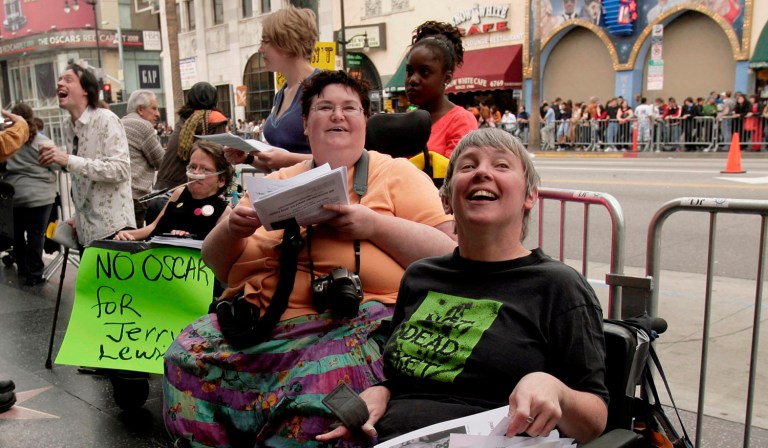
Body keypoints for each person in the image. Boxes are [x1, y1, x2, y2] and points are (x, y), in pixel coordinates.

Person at [162, 70, 457, 447]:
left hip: (353, 325)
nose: (338, 115)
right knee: (184, 355)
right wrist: (232, 228)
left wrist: (374, 225)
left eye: (350, 107)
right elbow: (216, 262)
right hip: (261, 324)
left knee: (322, 390)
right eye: (325, 107)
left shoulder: (395, 173)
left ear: (364, 120)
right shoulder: (276, 181)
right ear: (305, 124)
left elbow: (448, 254)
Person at [317, 128, 608, 445]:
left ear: (530, 196)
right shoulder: (419, 277)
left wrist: (555, 389)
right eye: (469, 166)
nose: (483, 172)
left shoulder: (559, 287)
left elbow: (595, 421)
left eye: (501, 165)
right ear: (446, 198)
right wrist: (384, 391)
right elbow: (409, 379)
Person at [38, 63, 135, 247]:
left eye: (68, 80)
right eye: (59, 79)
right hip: (85, 234)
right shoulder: (68, 126)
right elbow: (83, 181)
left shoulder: (106, 119)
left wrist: (67, 160)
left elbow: (120, 169)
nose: (59, 83)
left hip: (114, 231)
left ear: (85, 90)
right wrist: (78, 217)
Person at [225, 7, 319, 172]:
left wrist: (288, 160)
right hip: (285, 191)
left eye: (265, 41)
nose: (261, 49)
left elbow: (341, 158)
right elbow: (277, 166)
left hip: (316, 195)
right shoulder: (281, 94)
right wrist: (248, 158)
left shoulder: (324, 87)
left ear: (287, 41)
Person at [114, 140, 233, 242]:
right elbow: (153, 227)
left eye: (205, 169)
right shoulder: (179, 193)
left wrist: (184, 240)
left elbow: (217, 251)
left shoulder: (224, 212)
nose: (196, 173)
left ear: (221, 179)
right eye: (192, 167)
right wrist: (126, 235)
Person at [405, 21, 478, 158]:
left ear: (447, 77)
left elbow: (452, 175)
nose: (413, 80)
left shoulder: (461, 121)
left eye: (425, 72)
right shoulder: (405, 121)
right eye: (409, 71)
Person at [4, 103, 57, 286]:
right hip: (40, 196)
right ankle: (34, 274)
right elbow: (57, 164)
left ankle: (22, 268)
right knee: (36, 234)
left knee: (18, 234)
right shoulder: (42, 142)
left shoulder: (9, 140)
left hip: (15, 195)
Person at [154, 81, 228, 191]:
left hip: (160, 189)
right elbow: (219, 156)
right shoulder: (215, 118)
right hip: (179, 192)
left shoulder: (184, 119)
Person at [122, 90, 164, 227]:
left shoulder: (120, 122)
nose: (157, 114)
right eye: (154, 108)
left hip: (120, 194)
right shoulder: (143, 126)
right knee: (133, 239)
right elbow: (161, 161)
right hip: (136, 196)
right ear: (140, 109)